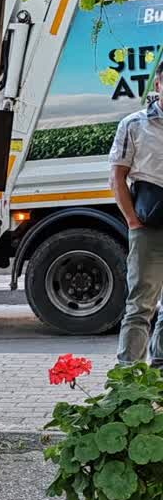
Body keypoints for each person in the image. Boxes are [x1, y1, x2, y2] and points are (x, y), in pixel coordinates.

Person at [110, 62, 163, 367]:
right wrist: (132, 220)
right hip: (149, 226)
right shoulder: (135, 125)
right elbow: (117, 176)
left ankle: (159, 372)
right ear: (158, 85)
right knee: (141, 305)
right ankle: (127, 376)